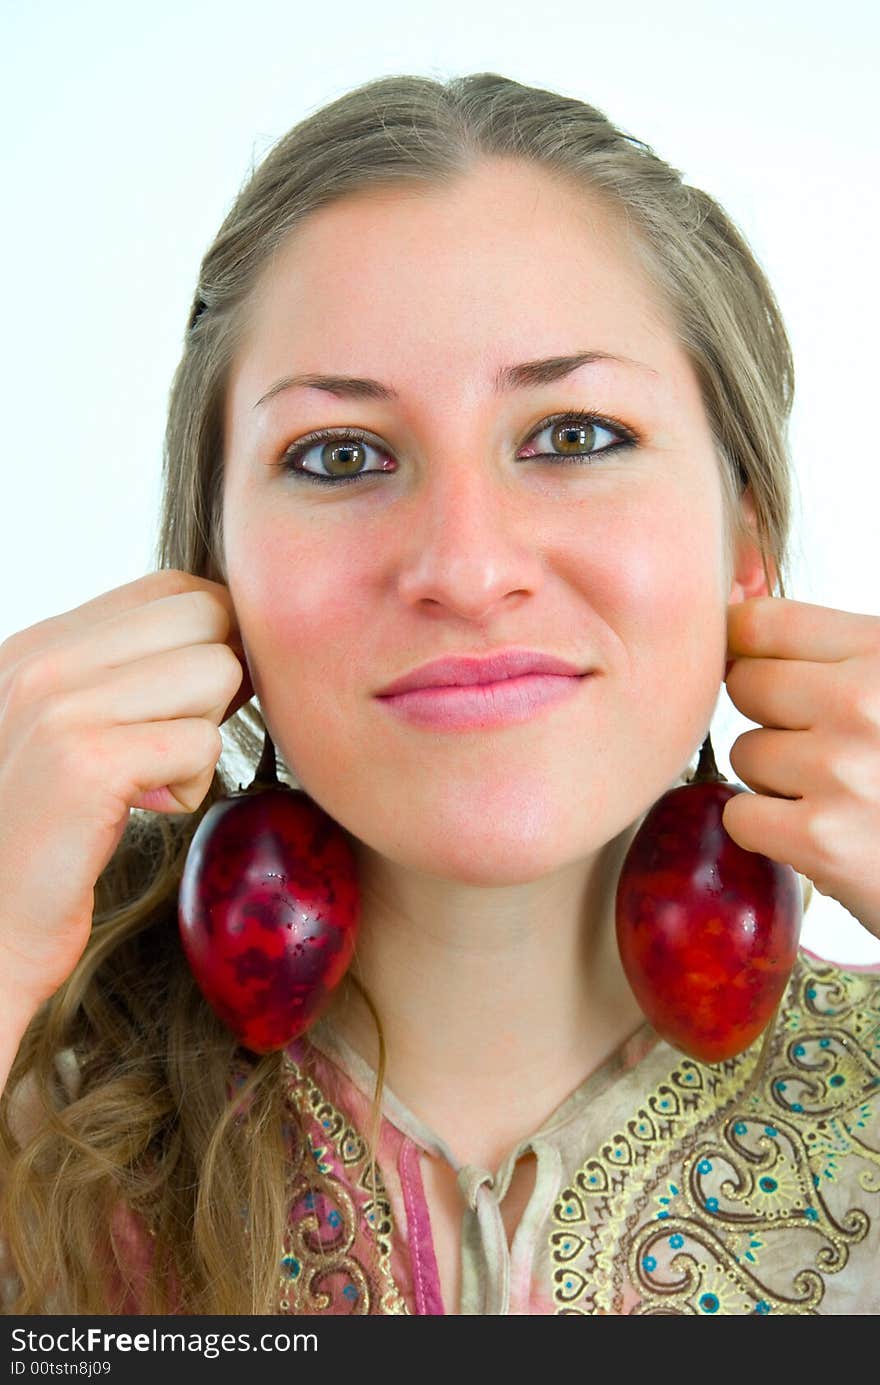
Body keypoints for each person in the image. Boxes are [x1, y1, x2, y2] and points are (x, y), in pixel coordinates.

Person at [1, 71, 879, 1318]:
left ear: (742, 531)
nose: (466, 571)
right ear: (213, 568)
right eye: (340, 456)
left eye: (573, 435)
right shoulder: (31, 1100)